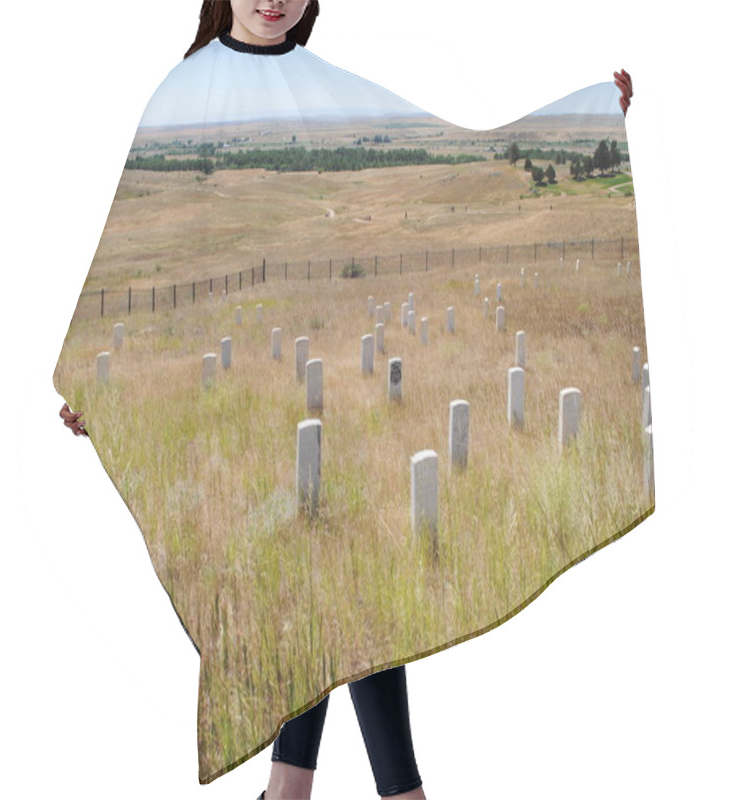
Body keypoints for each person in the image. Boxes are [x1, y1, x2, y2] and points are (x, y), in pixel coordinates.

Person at [59, 3, 634, 797]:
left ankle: (304, 790)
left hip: (329, 381)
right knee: (308, 587)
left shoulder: (325, 85)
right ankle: (374, 791)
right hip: (238, 398)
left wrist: (587, 119)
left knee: (347, 580)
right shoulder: (182, 89)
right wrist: (95, 384)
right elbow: (125, 262)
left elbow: (451, 161)